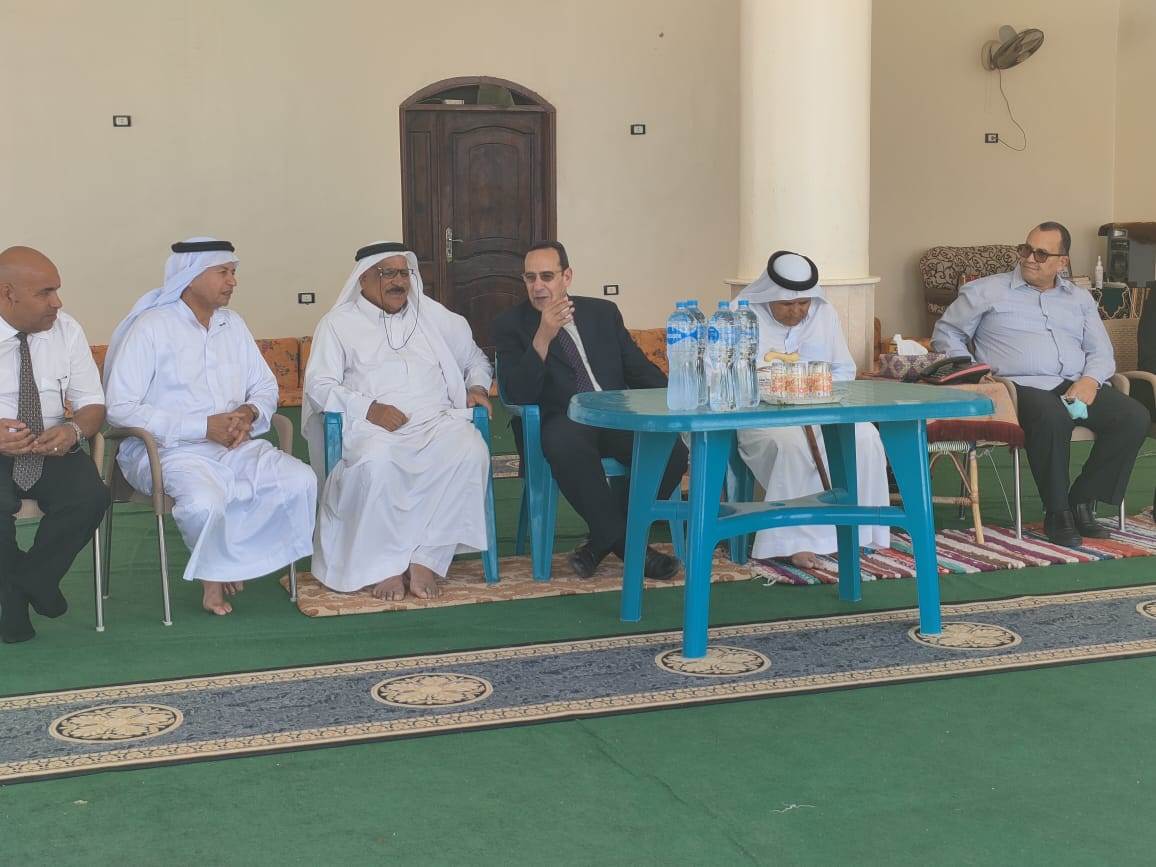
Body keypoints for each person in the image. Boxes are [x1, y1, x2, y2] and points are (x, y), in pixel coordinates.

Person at [104, 238, 316, 615]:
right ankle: (213, 576)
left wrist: (248, 413)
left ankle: (228, 560)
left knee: (299, 480)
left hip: (234, 445)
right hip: (168, 452)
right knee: (204, 502)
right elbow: (120, 408)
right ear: (191, 276)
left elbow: (265, 386)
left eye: (233, 272)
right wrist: (202, 428)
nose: (232, 281)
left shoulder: (233, 325)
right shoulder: (151, 328)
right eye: (223, 272)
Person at [932, 221, 1148, 547]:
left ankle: (1082, 500)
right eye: (1026, 250)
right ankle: (1057, 512)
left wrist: (1090, 380)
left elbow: (1101, 351)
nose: (1030, 258)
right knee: (1051, 416)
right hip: (1018, 388)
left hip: (1074, 385)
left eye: (1041, 254)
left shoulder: (1079, 298)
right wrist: (974, 372)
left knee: (1134, 417)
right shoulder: (986, 291)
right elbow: (946, 333)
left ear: (1062, 262)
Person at [303, 242, 493, 600]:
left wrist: (478, 387)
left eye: (404, 273)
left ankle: (426, 559)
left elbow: (475, 359)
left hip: (436, 422)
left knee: (471, 450)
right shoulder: (338, 324)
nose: (399, 281)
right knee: (378, 463)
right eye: (387, 273)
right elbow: (319, 384)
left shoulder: (431, 317)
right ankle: (384, 566)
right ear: (362, 279)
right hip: (373, 427)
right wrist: (369, 409)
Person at [493, 241, 687, 580]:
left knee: (671, 449)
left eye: (547, 276)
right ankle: (635, 551)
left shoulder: (602, 313)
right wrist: (543, 337)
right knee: (565, 442)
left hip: (614, 415)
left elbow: (638, 370)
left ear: (566, 277)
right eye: (530, 277)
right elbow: (518, 394)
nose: (537, 286)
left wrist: (677, 398)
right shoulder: (511, 324)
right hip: (560, 419)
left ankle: (600, 543)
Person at [734, 251, 890, 567]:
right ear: (768, 298)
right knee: (791, 445)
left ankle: (856, 533)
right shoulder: (740, 315)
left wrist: (811, 387)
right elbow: (727, 377)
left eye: (803, 303)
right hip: (763, 416)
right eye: (787, 305)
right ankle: (792, 542)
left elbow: (844, 369)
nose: (797, 311)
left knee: (865, 437)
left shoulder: (823, 313)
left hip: (821, 410)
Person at [0, 247, 109, 643]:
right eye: (45, 293)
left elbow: (93, 404)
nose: (57, 302)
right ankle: (15, 602)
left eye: (57, 290)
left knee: (90, 497)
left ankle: (31, 581)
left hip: (51, 444)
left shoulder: (67, 330)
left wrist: (74, 431)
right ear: (7, 293)